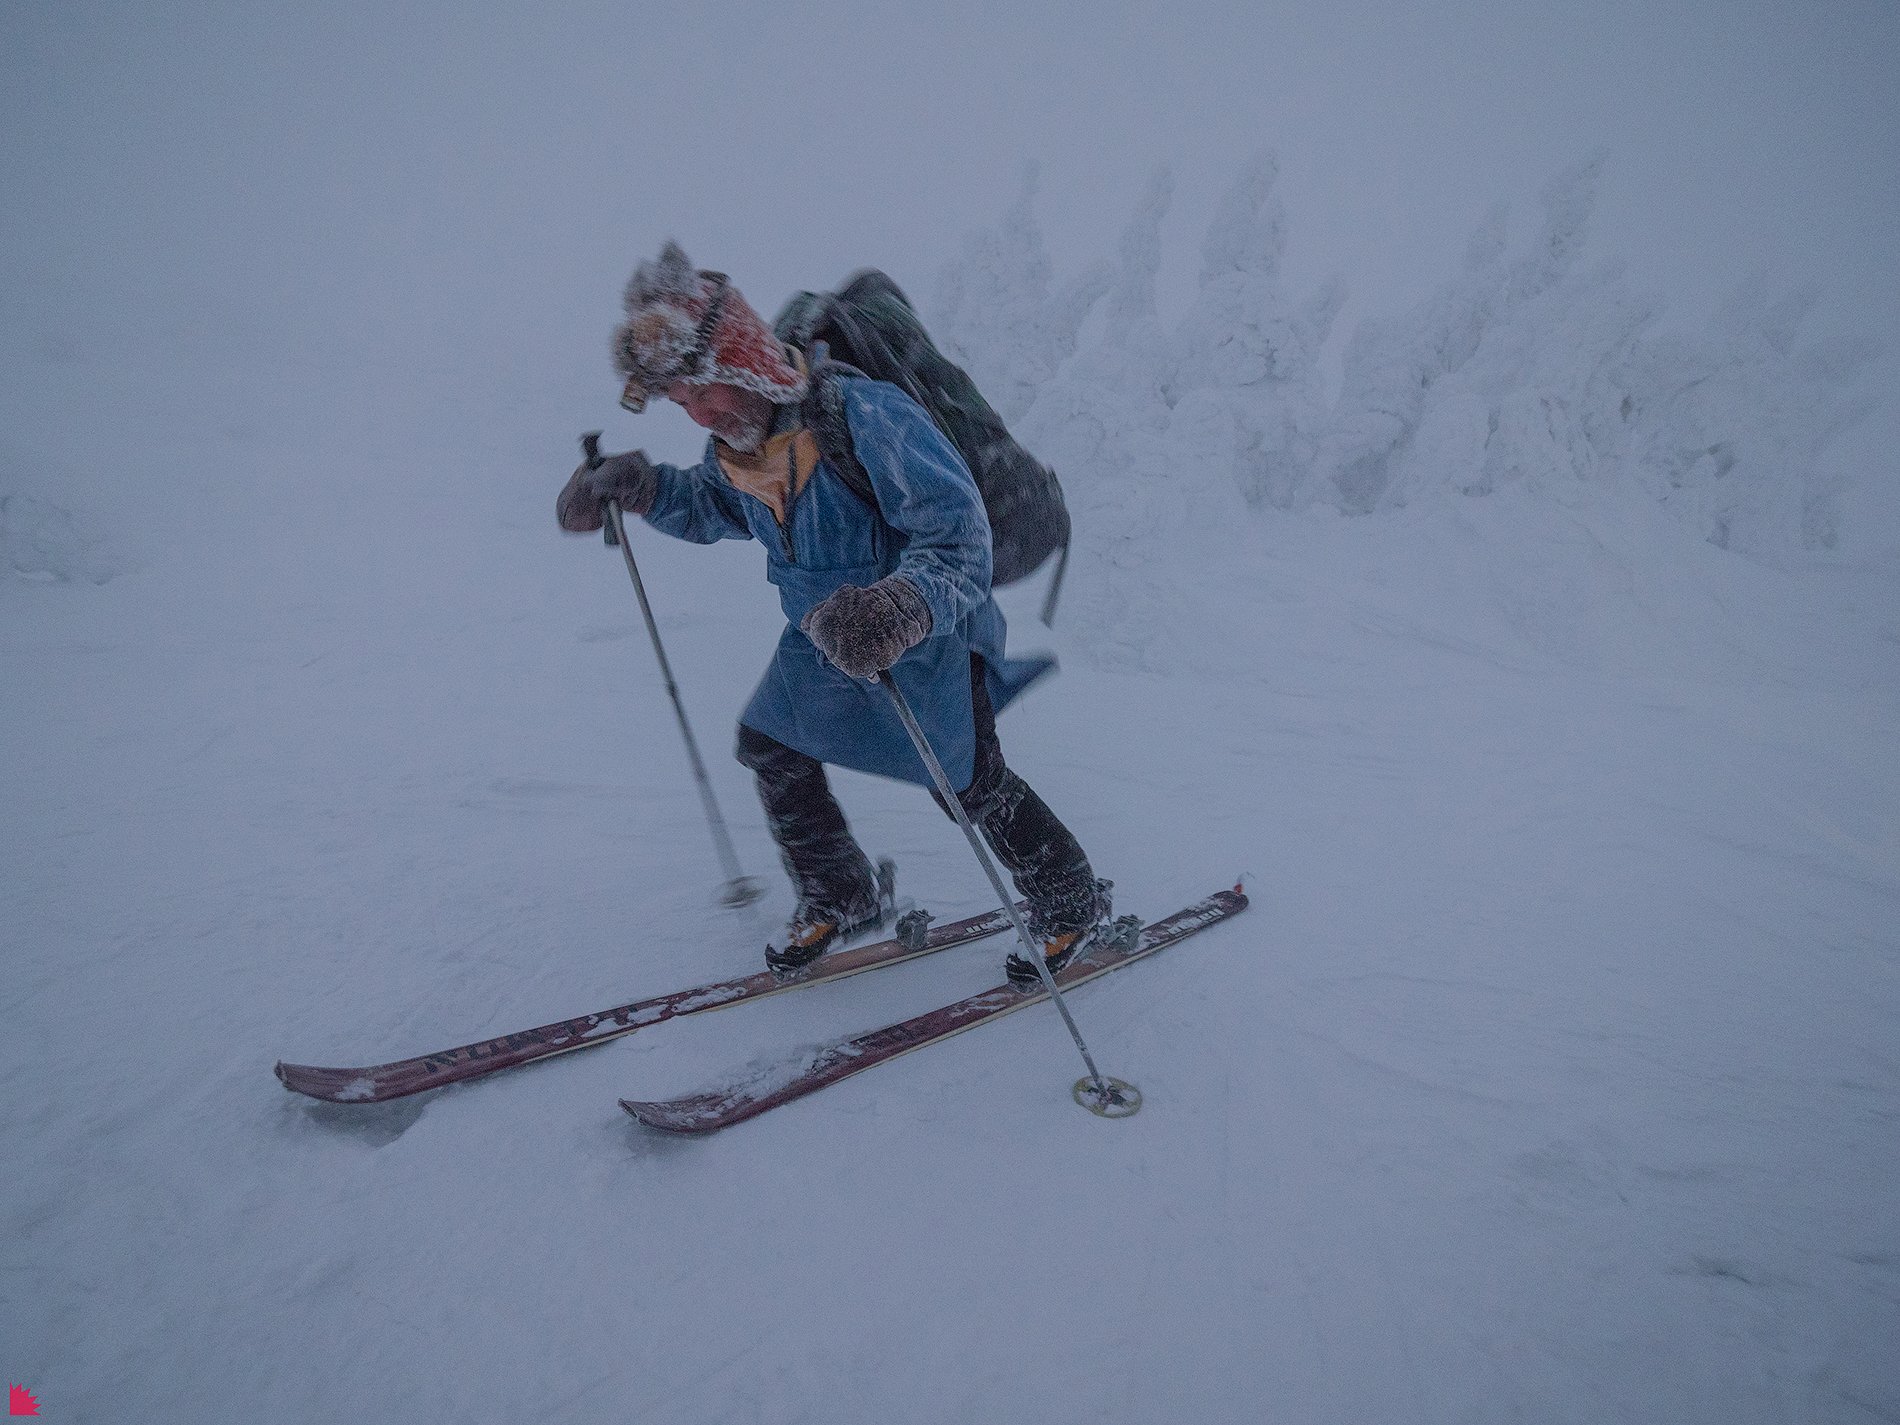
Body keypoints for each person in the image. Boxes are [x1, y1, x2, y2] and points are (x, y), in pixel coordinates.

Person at [558, 242, 1108, 987]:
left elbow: (959, 535)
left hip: (923, 640)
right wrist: (641, 487)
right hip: (822, 639)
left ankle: (1069, 898)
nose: (700, 413)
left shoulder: (864, 415)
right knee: (771, 742)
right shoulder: (738, 448)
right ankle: (841, 892)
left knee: (969, 782)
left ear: (746, 363)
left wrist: (901, 606)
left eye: (706, 390)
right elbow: (714, 507)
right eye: (682, 402)